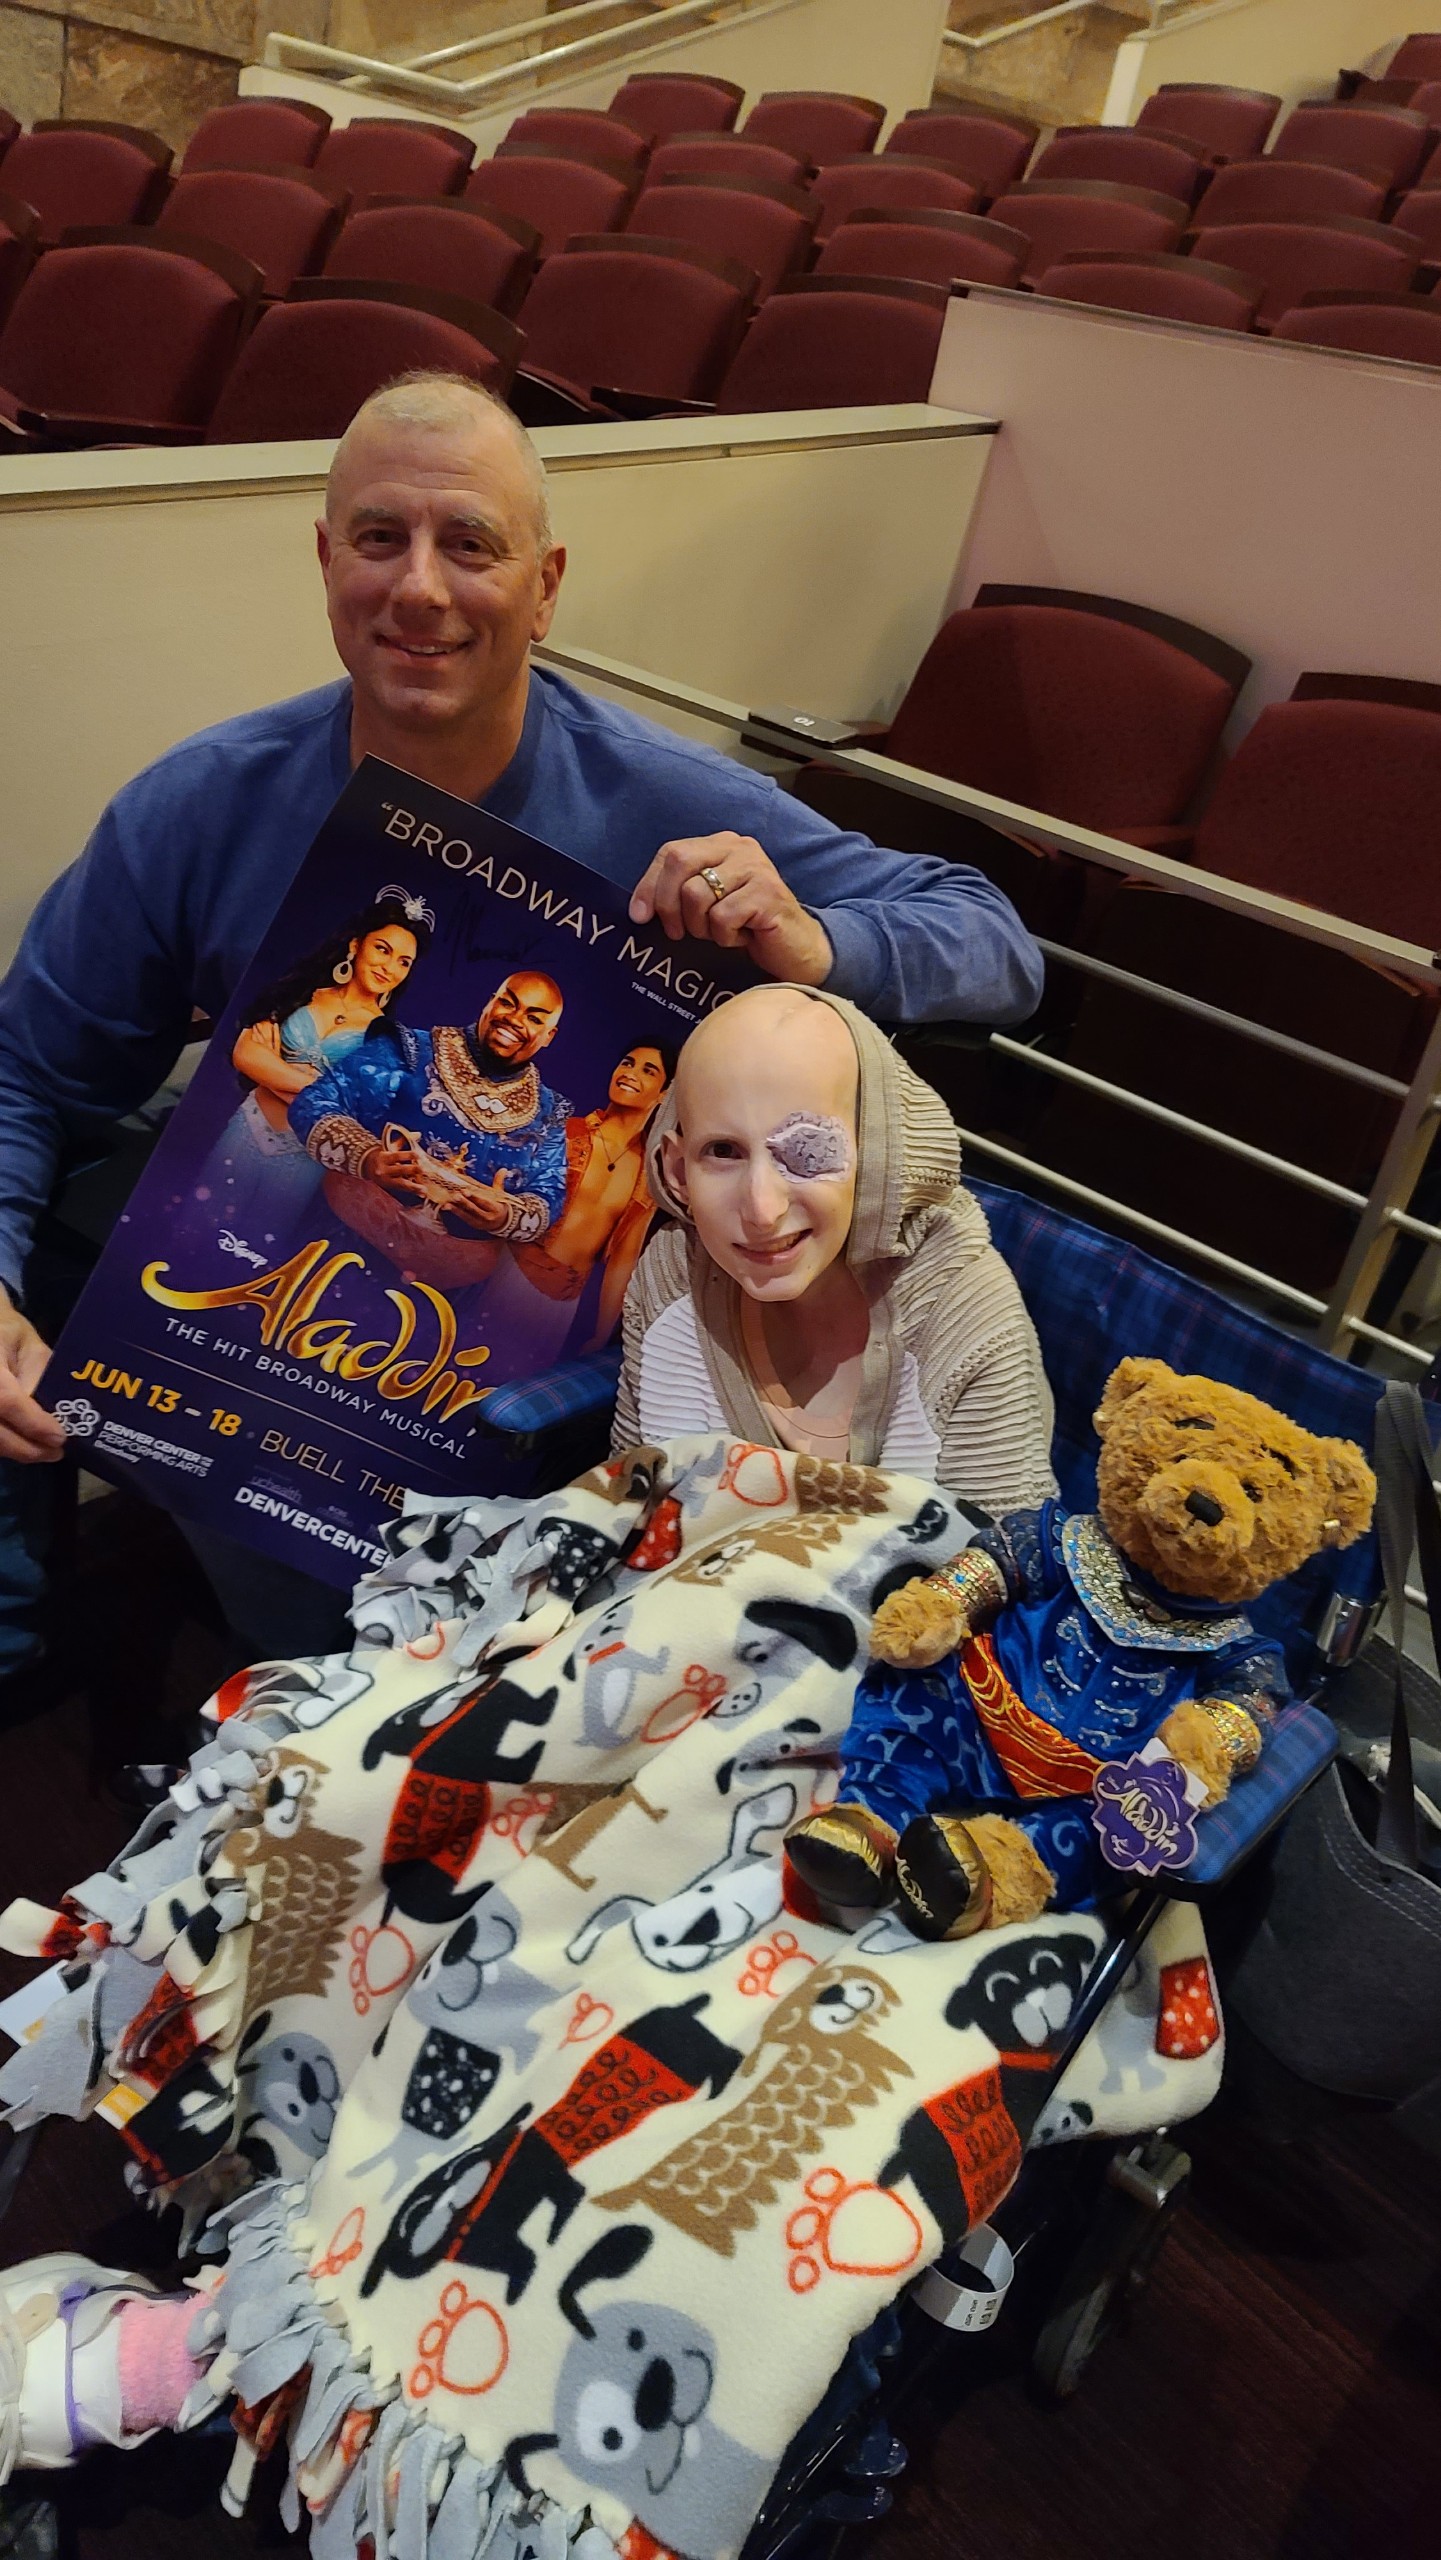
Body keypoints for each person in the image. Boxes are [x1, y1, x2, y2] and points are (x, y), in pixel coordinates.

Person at [0, 367, 1045, 1668]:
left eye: (470, 545)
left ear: (544, 587)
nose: (419, 587)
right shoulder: (205, 802)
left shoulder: (661, 797)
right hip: (272, 1321)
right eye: (379, 538)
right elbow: (24, 1070)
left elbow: (994, 942)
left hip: (551, 1379)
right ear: (326, 563)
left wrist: (817, 940)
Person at [614, 983, 1056, 1516]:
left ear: (877, 1151)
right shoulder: (671, 1276)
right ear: (677, 1169)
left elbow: (1004, 1553)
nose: (762, 1210)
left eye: (809, 1149)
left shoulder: (964, 1319)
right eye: (723, 1151)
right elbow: (628, 1503)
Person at [291, 967, 569, 1296]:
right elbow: (313, 1103)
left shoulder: (548, 1114)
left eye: (534, 1018)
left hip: (444, 1292)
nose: (515, 1019)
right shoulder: (410, 1050)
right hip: (340, 1245)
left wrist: (506, 1216)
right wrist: (368, 1158)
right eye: (508, 1003)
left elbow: (548, 1198)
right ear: (489, 1003)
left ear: (549, 1036)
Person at [196, 888, 430, 1250]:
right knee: (194, 1228)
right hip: (248, 1127)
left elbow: (347, 1115)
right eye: (383, 949)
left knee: (251, 1250)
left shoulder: (385, 1038)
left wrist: (272, 1071)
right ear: (356, 945)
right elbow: (245, 1053)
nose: (389, 967)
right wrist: (321, 1091)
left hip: (302, 1157)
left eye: (404, 962)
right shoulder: (303, 991)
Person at [481, 1039, 675, 1364]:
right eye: (627, 1062)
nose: (630, 1073)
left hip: (560, 1305)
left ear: (664, 1094)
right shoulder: (567, 1133)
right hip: (507, 1275)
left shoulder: (647, 1177)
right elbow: (505, 1200)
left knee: (510, 1385)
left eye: (648, 1070)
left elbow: (622, 1262)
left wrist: (601, 1333)